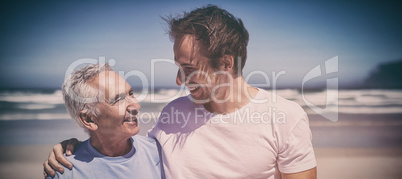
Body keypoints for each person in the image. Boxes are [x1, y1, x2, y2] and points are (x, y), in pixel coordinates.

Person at [44, 5, 317, 178]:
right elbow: (125, 150)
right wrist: (75, 148)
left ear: (225, 63)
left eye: (188, 68)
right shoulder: (173, 114)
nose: (178, 80)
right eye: (178, 67)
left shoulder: (284, 117)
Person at [45, 63, 163, 178]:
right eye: (119, 99)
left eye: (131, 94)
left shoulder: (161, 153)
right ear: (89, 119)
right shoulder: (64, 171)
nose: (136, 106)